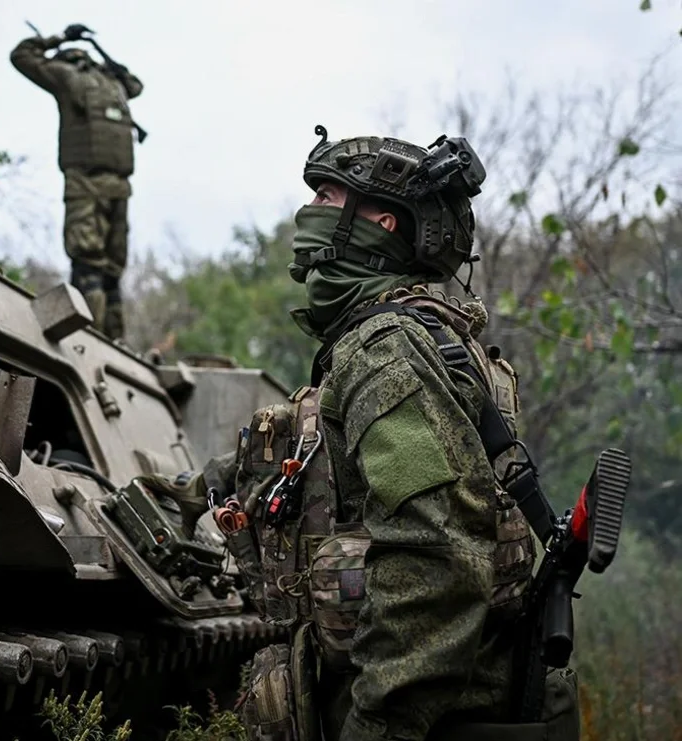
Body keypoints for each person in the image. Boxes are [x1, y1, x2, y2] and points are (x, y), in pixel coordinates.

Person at [213, 129, 580, 740]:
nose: (309, 213)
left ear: (381, 222)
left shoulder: (386, 352)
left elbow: (436, 561)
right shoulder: (416, 338)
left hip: (437, 722)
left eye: (328, 198)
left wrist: (378, 726)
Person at [10, 24, 144, 340]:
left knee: (108, 270)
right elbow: (20, 56)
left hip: (117, 185)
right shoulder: (69, 77)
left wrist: (91, 51)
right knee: (91, 266)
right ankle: (88, 340)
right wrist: (62, 38)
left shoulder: (107, 82)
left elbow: (136, 85)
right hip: (86, 182)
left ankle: (112, 342)